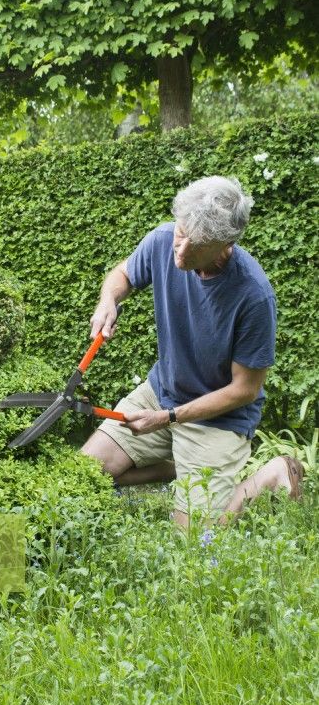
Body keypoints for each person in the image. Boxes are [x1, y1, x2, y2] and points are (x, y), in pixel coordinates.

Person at [81, 176, 304, 527]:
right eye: (180, 234)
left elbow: (244, 390)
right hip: (160, 395)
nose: (180, 250)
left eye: (195, 244)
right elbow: (123, 273)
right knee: (84, 476)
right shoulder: (161, 240)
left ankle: (266, 476)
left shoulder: (254, 296)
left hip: (218, 421)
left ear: (225, 245)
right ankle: (177, 469)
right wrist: (108, 301)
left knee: (195, 546)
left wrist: (170, 418)